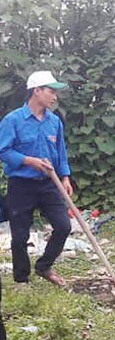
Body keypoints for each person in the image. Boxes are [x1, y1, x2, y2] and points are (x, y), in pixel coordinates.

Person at [0, 70, 72, 287]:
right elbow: (3, 151)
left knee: (63, 226)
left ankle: (44, 266)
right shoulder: (13, 120)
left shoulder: (54, 122)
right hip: (21, 184)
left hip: (48, 183)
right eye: (51, 91)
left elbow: (60, 151)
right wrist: (29, 161)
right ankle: (21, 279)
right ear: (37, 91)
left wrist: (66, 177)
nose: (55, 96)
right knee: (20, 235)